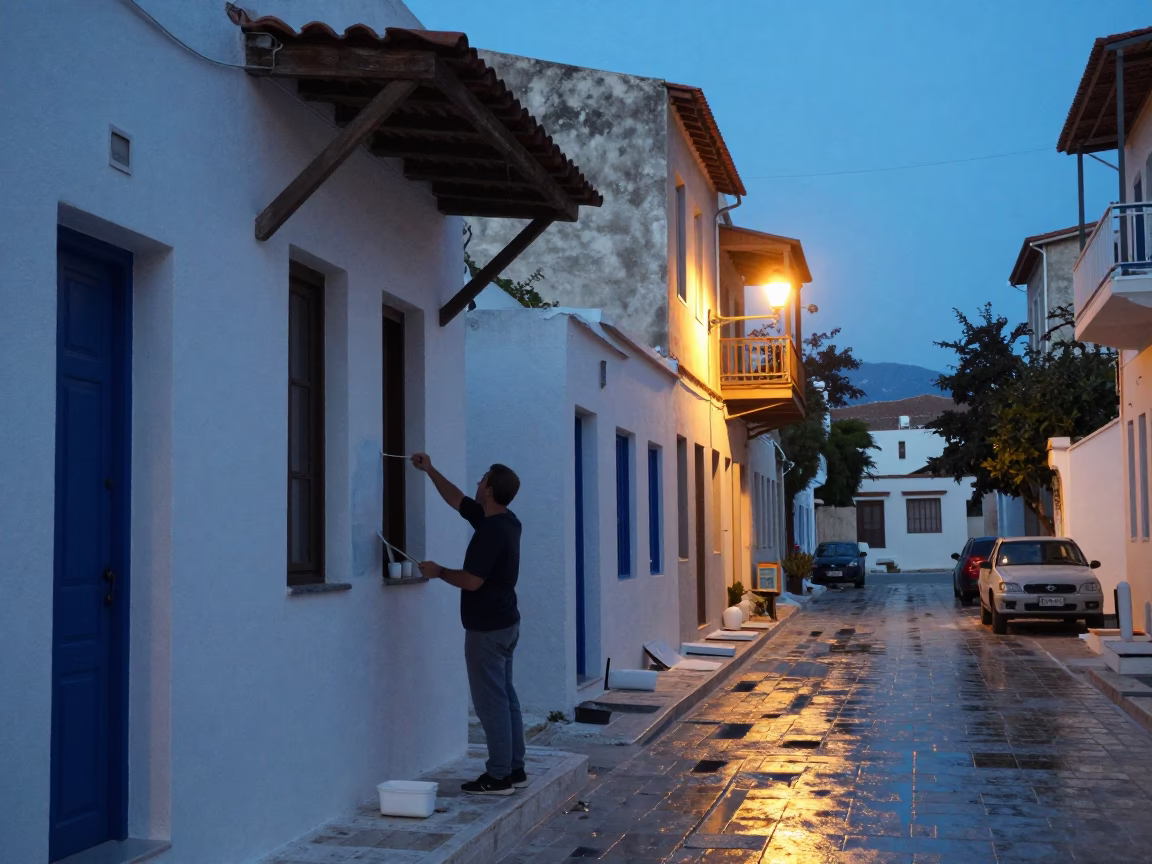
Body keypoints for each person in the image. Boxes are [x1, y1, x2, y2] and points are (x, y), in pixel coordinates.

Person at [412, 453, 527, 796]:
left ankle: (499, 777)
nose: (476, 483)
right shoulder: (507, 521)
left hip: (487, 630)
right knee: (506, 698)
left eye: (482, 480)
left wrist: (439, 572)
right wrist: (430, 469)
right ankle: (515, 769)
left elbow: (473, 581)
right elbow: (457, 500)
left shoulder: (491, 532)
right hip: (506, 623)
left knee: (491, 703)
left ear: (490, 491)